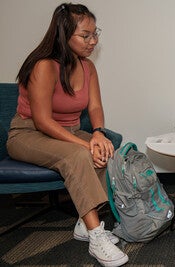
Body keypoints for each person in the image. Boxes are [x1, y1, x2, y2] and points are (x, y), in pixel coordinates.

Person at [6, 3, 129, 266]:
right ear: (63, 34)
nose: (93, 41)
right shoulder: (43, 66)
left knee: (105, 150)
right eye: (85, 35)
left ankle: (84, 225)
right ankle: (96, 236)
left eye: (96, 34)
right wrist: (84, 145)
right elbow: (42, 121)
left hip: (68, 131)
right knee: (78, 154)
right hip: (28, 134)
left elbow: (94, 106)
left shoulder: (87, 67)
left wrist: (97, 134)